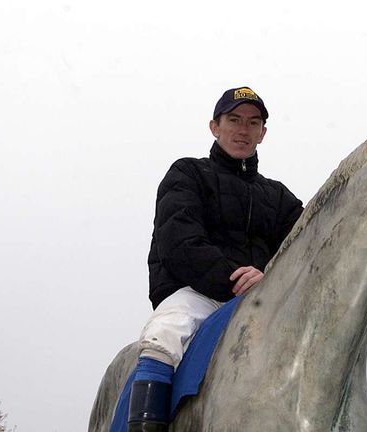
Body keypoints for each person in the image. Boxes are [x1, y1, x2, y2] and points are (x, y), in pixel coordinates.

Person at [127, 86, 304, 432]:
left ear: (263, 134)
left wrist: (268, 279)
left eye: (253, 123)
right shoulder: (188, 174)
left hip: (262, 300)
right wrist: (234, 278)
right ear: (214, 127)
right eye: (234, 120)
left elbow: (304, 247)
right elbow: (178, 241)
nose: (243, 130)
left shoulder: (279, 197)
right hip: (200, 294)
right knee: (163, 334)